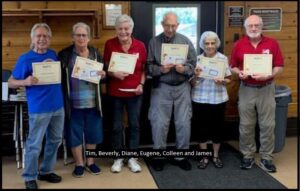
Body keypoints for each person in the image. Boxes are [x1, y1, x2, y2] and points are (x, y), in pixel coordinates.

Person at [8, 23, 64, 189]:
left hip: (58, 106)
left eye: (45, 36)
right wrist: (25, 82)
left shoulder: (54, 55)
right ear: (32, 39)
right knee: (34, 144)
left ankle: (46, 171)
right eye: (39, 36)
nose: (42, 39)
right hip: (39, 108)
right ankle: (29, 176)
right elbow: (10, 82)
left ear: (50, 39)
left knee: (55, 141)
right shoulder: (25, 59)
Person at [230, 15, 284, 173]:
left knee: (268, 125)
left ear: (261, 26)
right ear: (245, 28)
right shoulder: (239, 45)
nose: (253, 28)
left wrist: (269, 75)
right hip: (246, 88)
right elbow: (232, 66)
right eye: (250, 26)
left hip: (267, 88)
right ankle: (248, 155)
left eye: (256, 25)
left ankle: (266, 157)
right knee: (246, 124)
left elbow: (279, 66)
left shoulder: (272, 43)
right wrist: (238, 73)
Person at [147, 11, 197, 171]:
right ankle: (159, 156)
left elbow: (194, 64)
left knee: (183, 123)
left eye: (173, 26)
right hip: (161, 87)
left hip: (182, 87)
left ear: (178, 25)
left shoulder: (185, 41)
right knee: (159, 123)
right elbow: (148, 66)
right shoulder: (154, 42)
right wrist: (160, 69)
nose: (170, 29)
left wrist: (185, 69)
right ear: (162, 24)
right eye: (167, 25)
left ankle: (181, 156)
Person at [58, 22, 106, 178]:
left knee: (93, 133)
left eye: (84, 35)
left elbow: (103, 77)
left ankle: (90, 162)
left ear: (89, 37)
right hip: (73, 104)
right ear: (73, 37)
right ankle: (79, 164)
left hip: (93, 102)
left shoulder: (95, 53)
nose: (81, 38)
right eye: (78, 35)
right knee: (74, 134)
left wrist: (103, 75)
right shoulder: (65, 55)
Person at [103, 14, 147, 173]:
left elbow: (144, 70)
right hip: (115, 93)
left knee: (134, 125)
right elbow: (106, 67)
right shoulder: (109, 44)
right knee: (116, 126)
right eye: (120, 29)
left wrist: (141, 84)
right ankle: (118, 157)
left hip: (135, 93)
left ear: (131, 29)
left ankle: (132, 158)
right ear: (116, 29)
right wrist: (114, 74)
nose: (123, 32)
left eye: (126, 28)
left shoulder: (140, 45)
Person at [191, 31, 231, 169]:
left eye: (212, 43)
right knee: (201, 128)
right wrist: (196, 76)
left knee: (217, 128)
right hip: (199, 98)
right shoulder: (197, 59)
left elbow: (228, 79)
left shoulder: (223, 59)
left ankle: (215, 155)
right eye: (207, 43)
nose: (209, 46)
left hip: (218, 98)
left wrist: (222, 81)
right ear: (202, 44)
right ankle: (204, 156)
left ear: (216, 44)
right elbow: (192, 83)